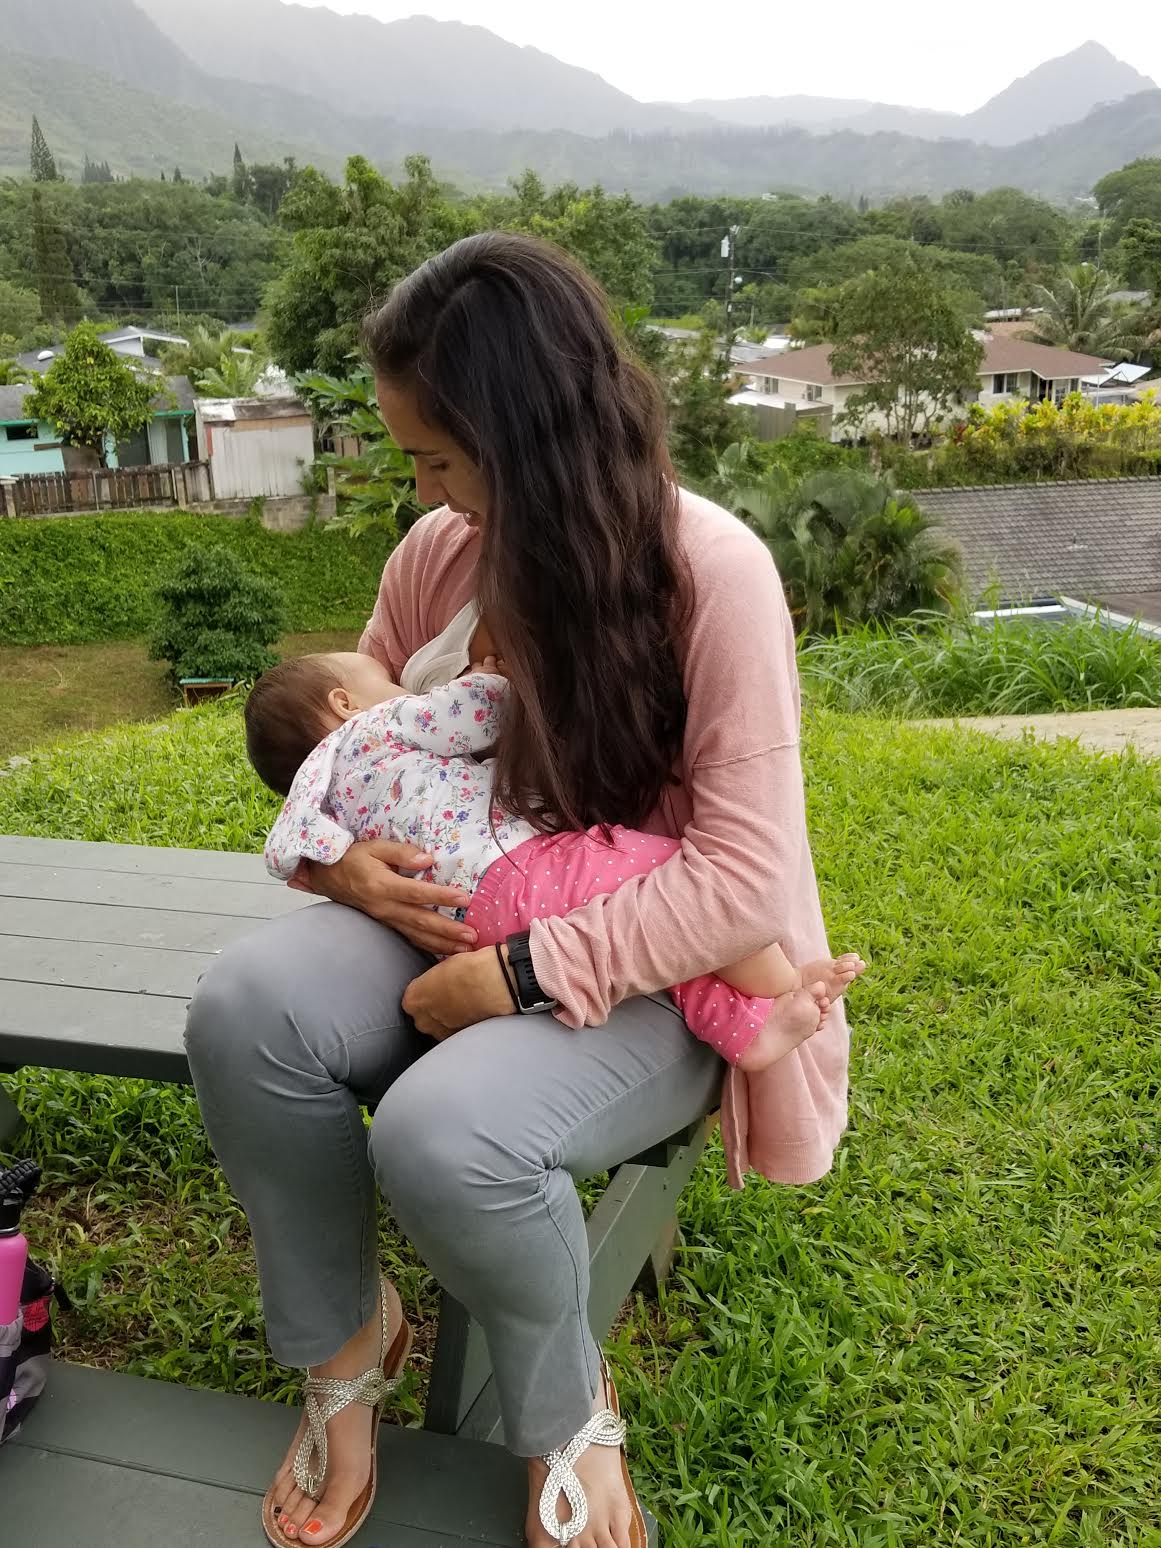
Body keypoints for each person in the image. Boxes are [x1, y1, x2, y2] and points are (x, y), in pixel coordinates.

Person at [183, 231, 851, 1548]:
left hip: (664, 968)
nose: (424, 490)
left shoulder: (708, 577)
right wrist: (344, 870)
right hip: (458, 908)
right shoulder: (437, 560)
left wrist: (523, 976)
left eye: (437, 456)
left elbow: (746, 878)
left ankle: (564, 1415)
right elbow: (347, 755)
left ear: (528, 438)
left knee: (448, 1134)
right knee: (245, 1006)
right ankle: (343, 1349)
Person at [244, 651, 865, 1071]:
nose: (401, 687)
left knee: (663, 954)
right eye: (384, 678)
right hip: (520, 869)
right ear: (346, 702)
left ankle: (749, 1031)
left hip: (466, 930)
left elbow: (286, 860)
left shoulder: (314, 795)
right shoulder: (377, 727)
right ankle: (778, 979)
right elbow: (477, 714)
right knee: (666, 877)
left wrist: (339, 867)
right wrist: (490, 676)